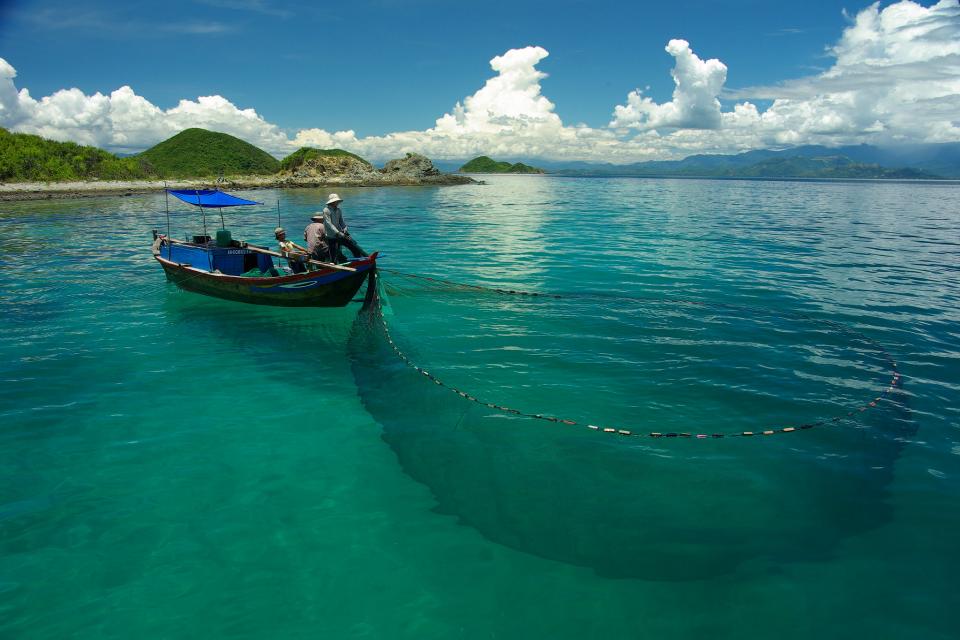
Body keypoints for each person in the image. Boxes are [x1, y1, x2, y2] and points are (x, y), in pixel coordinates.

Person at [321, 193, 367, 264]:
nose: (338, 203)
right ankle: (334, 265)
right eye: (336, 201)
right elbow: (329, 224)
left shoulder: (338, 210)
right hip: (331, 236)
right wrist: (338, 232)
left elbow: (341, 221)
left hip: (340, 234)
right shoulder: (326, 210)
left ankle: (358, 260)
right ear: (332, 202)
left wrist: (345, 228)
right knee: (334, 253)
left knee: (352, 245)